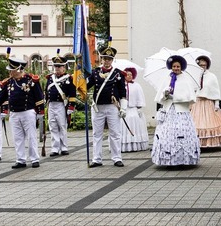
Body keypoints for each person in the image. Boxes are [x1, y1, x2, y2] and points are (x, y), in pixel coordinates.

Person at [0, 48, 45, 169]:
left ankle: (34, 158)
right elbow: (1, 97)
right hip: (14, 113)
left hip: (28, 112)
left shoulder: (31, 80)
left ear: (19, 69)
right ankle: (20, 159)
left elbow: (39, 96)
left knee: (31, 136)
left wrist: (41, 111)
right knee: (17, 138)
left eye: (12, 70)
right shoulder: (9, 82)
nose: (10, 72)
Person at [151, 55, 200, 166]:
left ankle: (184, 159)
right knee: (167, 133)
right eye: (174, 66)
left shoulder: (185, 79)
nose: (176, 68)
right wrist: (166, 94)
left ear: (181, 67)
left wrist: (175, 97)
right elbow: (160, 98)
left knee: (182, 132)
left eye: (178, 66)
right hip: (168, 110)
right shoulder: (167, 78)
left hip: (181, 112)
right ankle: (167, 159)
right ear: (171, 67)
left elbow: (189, 97)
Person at [86, 38, 127, 168]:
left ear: (112, 60)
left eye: (109, 58)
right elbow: (87, 86)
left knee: (115, 133)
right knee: (96, 134)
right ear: (101, 59)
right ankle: (97, 159)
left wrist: (123, 108)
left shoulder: (117, 73)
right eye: (105, 58)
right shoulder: (95, 72)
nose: (107, 61)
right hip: (97, 107)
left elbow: (122, 92)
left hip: (112, 107)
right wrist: (81, 79)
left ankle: (116, 158)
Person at [189, 55, 221, 148]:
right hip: (197, 103)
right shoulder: (194, 77)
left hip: (208, 103)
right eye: (200, 65)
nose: (202, 67)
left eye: (204, 65)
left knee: (209, 123)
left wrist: (216, 104)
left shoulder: (211, 76)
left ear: (207, 66)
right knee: (197, 123)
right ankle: (197, 143)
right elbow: (190, 90)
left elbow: (215, 90)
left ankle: (210, 143)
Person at [45, 49, 77, 156]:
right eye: (56, 66)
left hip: (61, 105)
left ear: (64, 67)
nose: (57, 69)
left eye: (59, 66)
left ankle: (64, 147)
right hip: (51, 105)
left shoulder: (69, 79)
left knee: (62, 126)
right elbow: (46, 91)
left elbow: (72, 94)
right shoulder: (50, 78)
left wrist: (71, 107)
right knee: (52, 126)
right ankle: (55, 148)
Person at [121, 67, 149, 152]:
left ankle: (136, 144)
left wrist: (139, 107)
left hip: (133, 109)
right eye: (127, 74)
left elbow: (140, 97)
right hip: (124, 109)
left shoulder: (136, 86)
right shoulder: (121, 85)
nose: (129, 76)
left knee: (135, 121)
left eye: (131, 75)